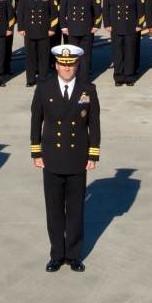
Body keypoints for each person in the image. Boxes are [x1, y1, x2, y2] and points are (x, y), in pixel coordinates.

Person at [31, 44, 99, 273]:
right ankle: (56, 255)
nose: (66, 68)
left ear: (77, 64)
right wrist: (36, 152)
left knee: (76, 210)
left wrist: (93, 153)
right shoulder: (44, 88)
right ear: (56, 65)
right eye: (62, 64)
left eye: (70, 64)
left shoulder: (88, 89)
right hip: (51, 157)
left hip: (77, 157)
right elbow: (36, 121)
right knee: (54, 210)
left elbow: (94, 124)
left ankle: (74, 255)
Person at [102, 0, 145, 86]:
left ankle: (129, 77)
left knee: (130, 52)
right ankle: (119, 77)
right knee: (117, 53)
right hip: (116, 26)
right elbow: (105, 8)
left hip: (130, 26)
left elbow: (140, 8)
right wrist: (107, 23)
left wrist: (139, 24)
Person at [16, 0, 58, 80]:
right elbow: (20, 12)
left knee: (44, 56)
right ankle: (30, 79)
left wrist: (52, 28)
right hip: (29, 29)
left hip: (44, 30)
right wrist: (20, 27)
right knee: (30, 56)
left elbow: (54, 13)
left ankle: (43, 77)